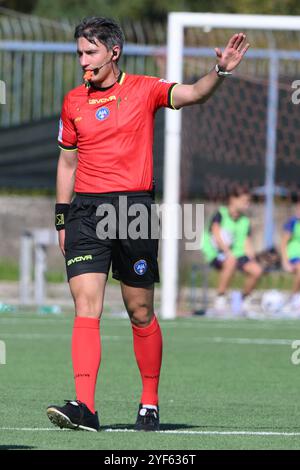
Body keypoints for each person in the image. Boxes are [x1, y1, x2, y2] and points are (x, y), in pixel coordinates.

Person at [46, 16, 249, 432]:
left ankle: (149, 402)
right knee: (87, 306)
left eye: (91, 52)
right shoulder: (73, 102)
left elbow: (193, 94)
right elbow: (67, 162)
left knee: (140, 311)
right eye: (80, 53)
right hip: (85, 212)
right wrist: (62, 216)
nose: (83, 61)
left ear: (114, 52)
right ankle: (85, 407)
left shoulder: (144, 89)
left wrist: (220, 70)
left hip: (132, 211)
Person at [202, 186, 262, 313]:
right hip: (217, 253)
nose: (247, 204)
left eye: (249, 201)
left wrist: (252, 257)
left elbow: (247, 242)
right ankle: (220, 296)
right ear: (233, 199)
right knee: (230, 261)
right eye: (245, 200)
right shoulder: (220, 214)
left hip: (237, 254)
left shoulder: (245, 220)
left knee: (256, 270)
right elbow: (216, 235)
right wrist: (227, 252)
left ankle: (244, 298)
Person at [281, 191, 300, 313]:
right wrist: (285, 261)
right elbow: (283, 243)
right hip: (294, 256)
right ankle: (294, 298)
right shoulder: (293, 222)